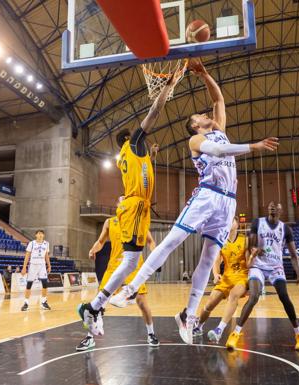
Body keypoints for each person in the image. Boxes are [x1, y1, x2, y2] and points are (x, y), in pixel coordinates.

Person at [116, 59, 279, 344]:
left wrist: (204, 74)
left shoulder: (221, 128)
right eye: (200, 115)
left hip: (228, 203)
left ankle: (188, 315)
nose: (206, 113)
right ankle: (133, 287)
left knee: (207, 261)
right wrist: (253, 146)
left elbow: (218, 98)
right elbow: (217, 150)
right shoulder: (196, 142)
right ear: (195, 126)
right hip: (207, 196)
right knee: (171, 241)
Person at [78, 67, 184, 336]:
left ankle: (95, 305)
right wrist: (167, 87)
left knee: (129, 260)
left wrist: (153, 154)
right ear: (130, 139)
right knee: (132, 259)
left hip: (135, 205)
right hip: (135, 206)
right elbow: (154, 114)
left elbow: (144, 169)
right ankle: (106, 300)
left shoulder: (134, 155)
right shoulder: (134, 142)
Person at [226, 202, 299, 351]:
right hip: (258, 265)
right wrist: (254, 249)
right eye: (270, 205)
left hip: (276, 267)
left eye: (276, 206)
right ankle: (235, 334)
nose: (272, 207)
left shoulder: (286, 229)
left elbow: (294, 255)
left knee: (284, 296)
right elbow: (251, 243)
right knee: (254, 296)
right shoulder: (258, 222)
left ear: (281, 210)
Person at [77, 213, 159, 351]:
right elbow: (101, 242)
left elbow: (150, 241)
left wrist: (156, 252)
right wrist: (93, 249)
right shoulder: (110, 222)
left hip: (134, 267)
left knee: (142, 303)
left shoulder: (138, 221)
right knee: (97, 304)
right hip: (114, 266)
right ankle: (90, 338)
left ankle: (151, 333)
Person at [193, 216, 248, 343]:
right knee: (209, 304)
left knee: (233, 296)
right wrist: (216, 273)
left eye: (232, 220)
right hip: (227, 277)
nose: (229, 222)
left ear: (237, 224)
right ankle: (199, 326)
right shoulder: (221, 241)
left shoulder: (245, 240)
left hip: (242, 276)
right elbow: (216, 260)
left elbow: (249, 263)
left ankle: (219, 330)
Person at [21, 230, 52, 311]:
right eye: (38, 233)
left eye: (42, 233)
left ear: (44, 235)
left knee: (45, 284)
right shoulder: (32, 243)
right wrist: (24, 267)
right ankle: (26, 303)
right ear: (36, 235)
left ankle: (44, 302)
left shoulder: (46, 244)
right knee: (29, 284)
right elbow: (27, 255)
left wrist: (49, 265)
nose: (40, 235)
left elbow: (46, 255)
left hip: (42, 266)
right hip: (33, 265)